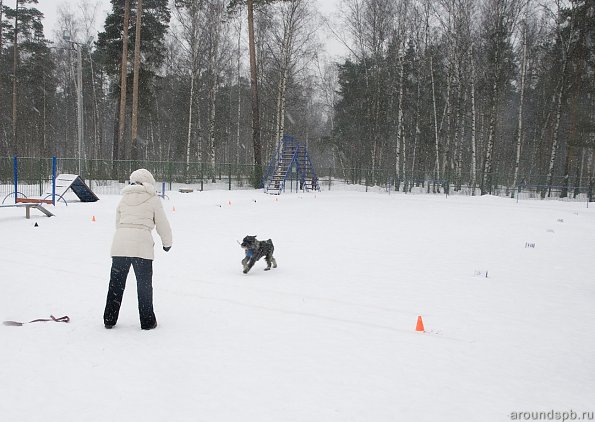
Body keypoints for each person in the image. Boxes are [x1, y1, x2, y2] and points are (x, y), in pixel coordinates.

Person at [103, 169, 172, 330]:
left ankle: (109, 319)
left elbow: (118, 222)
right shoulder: (153, 199)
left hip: (120, 246)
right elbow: (162, 223)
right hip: (142, 246)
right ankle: (147, 321)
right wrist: (167, 242)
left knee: (115, 285)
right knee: (144, 285)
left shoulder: (124, 198)